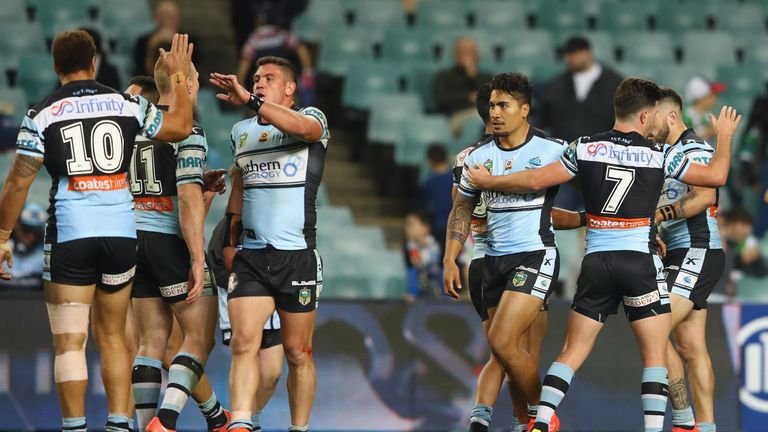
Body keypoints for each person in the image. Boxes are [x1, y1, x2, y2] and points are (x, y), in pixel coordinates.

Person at [466, 78, 741, 432]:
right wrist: (727, 135)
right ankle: (667, 426)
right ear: (645, 117)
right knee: (655, 353)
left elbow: (535, 181)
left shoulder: (584, 147)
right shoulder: (660, 153)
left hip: (596, 261)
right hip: (641, 260)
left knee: (572, 350)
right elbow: (716, 177)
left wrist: (490, 183)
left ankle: (542, 419)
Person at [0, 30, 194, 432]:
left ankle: (74, 427)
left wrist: (2, 237)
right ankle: (119, 425)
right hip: (121, 234)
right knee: (112, 337)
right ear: (95, 63)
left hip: (71, 234)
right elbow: (179, 127)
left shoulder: (41, 114)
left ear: (56, 68)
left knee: (71, 342)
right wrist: (177, 77)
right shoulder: (128, 104)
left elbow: (18, 181)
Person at [209, 55, 330, 432]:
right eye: (256, 78)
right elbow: (240, 183)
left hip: (296, 257)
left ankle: (299, 428)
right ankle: (242, 422)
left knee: (298, 351)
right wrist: (231, 237)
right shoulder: (241, 132)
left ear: (289, 88)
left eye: (269, 78)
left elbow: (306, 132)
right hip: (252, 257)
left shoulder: (313, 118)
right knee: (244, 344)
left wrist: (252, 99)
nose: (259, 83)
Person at [444, 72, 570, 432]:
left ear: (524, 110)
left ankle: (539, 415)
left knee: (504, 342)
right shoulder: (477, 157)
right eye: (492, 106)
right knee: (508, 352)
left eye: (503, 105)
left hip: (534, 254)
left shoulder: (552, 149)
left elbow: (598, 183)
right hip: (491, 260)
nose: (495, 112)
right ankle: (524, 423)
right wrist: (450, 257)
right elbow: (462, 209)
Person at [122, 60, 230, 432]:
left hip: (131, 242)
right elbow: (184, 203)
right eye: (194, 79)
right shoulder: (188, 131)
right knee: (198, 339)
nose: (197, 84)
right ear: (181, 86)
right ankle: (165, 423)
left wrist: (203, 187)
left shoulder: (128, 136)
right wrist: (198, 257)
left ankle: (145, 425)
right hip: (169, 242)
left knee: (151, 341)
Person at [650, 87, 723, 432]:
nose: (648, 126)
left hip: (698, 249)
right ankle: (706, 427)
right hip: (680, 251)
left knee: (652, 327)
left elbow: (705, 195)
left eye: (653, 118)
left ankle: (683, 421)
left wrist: (661, 216)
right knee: (692, 348)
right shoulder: (666, 153)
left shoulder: (693, 148)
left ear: (672, 116)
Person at [209, 213, 285, 432]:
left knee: (272, 373)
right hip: (241, 294)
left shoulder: (281, 221)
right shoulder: (230, 225)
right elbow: (217, 262)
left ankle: (248, 418)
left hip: (276, 289)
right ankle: (244, 423)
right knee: (245, 354)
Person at [535, 36, 623, 211]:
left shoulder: (615, 83)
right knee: (557, 220)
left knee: (601, 222)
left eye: (574, 53)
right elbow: (540, 121)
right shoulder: (555, 86)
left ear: (588, 53)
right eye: (568, 54)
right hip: (563, 168)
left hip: (602, 168)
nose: (570, 59)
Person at [235, 11, 314, 101]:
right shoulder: (280, 34)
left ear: (258, 21)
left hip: (263, 80)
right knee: (291, 104)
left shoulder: (254, 39)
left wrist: (240, 84)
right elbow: (300, 47)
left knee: (262, 107)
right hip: (283, 77)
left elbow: (245, 62)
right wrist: (307, 70)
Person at [433, 37, 492, 135]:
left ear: (476, 55)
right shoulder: (444, 76)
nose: (466, 55)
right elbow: (441, 100)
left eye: (470, 51)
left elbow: (490, 100)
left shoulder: (486, 77)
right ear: (456, 54)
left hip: (484, 115)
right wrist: (468, 97)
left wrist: (473, 76)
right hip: (456, 117)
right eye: (463, 51)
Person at [133, 1, 201, 76]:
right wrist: (152, 46)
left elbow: (194, 71)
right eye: (165, 16)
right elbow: (141, 71)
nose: (168, 20)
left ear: (178, 18)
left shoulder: (190, 42)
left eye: (172, 16)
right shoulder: (143, 41)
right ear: (156, 18)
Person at [0, 202, 45, 291]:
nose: (31, 236)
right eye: (27, 229)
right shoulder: (2, 247)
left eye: (36, 232)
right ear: (16, 225)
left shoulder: (45, 253)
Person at [419, 144, 454, 254]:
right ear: (447, 158)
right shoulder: (457, 178)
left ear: (430, 161)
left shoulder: (430, 182)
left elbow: (423, 206)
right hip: (458, 227)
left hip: (439, 228)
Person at [404, 212, 443, 298]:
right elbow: (411, 271)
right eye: (406, 225)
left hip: (439, 292)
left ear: (425, 228)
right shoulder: (408, 247)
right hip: (419, 295)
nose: (407, 229)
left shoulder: (439, 245)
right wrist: (413, 293)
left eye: (411, 225)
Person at [684, 76, 727, 142]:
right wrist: (712, 131)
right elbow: (684, 141)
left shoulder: (707, 116)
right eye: (712, 94)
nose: (716, 98)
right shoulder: (685, 117)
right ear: (701, 97)